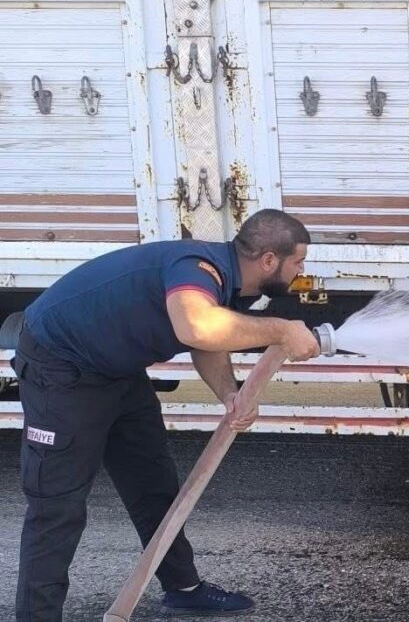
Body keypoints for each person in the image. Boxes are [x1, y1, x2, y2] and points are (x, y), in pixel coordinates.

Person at [13, 209, 322, 621]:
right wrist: (282, 330)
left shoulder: (230, 280)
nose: (302, 270)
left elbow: (209, 338)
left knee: (153, 482)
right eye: (297, 261)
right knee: (57, 505)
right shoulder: (196, 268)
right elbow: (195, 324)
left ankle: (182, 587)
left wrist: (229, 394)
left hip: (117, 370)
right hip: (62, 368)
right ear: (269, 260)